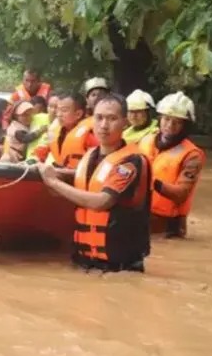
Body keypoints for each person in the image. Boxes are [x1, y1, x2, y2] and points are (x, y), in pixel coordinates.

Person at [37, 94, 151, 272]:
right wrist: (54, 173)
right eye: (99, 118)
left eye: (112, 119)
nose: (104, 125)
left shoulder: (131, 161)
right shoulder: (90, 155)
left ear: (125, 122)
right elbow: (87, 179)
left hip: (118, 267)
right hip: (84, 261)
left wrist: (54, 182)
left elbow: (101, 201)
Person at [137, 91, 205, 238]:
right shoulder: (145, 141)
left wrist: (151, 182)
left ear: (185, 126)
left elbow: (181, 194)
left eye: (177, 122)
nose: (170, 125)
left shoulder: (192, 155)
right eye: (166, 119)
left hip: (168, 226)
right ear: (160, 119)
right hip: (141, 217)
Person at [36, 92, 98, 174]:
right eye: (58, 110)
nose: (58, 114)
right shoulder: (54, 130)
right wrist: (33, 161)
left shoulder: (91, 134)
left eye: (64, 110)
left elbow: (97, 167)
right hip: (60, 174)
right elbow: (40, 153)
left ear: (78, 114)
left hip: (80, 179)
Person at [25, 96, 51, 161]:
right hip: (30, 156)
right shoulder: (27, 120)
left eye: (41, 110)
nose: (39, 114)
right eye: (35, 111)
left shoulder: (50, 119)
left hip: (41, 156)